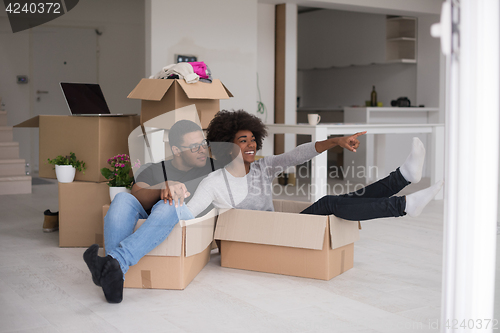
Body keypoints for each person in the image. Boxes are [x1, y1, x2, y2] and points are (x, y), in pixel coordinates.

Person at [85, 111, 443, 304]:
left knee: (335, 203)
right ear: (227, 146)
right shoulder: (213, 180)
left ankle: (402, 179)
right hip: (258, 240)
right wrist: (167, 195)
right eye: (243, 140)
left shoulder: (263, 166)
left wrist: (333, 141)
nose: (252, 144)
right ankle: (403, 204)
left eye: (254, 138)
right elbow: (191, 214)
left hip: (277, 229)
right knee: (333, 203)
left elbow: (298, 154)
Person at [83, 120, 222, 303]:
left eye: (203, 144)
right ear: (176, 150)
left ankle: (114, 261)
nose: (202, 150)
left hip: (187, 220)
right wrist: (162, 188)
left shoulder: (213, 168)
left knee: (172, 203)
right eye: (195, 147)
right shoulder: (154, 168)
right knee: (122, 198)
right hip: (152, 220)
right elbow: (137, 193)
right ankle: (114, 278)